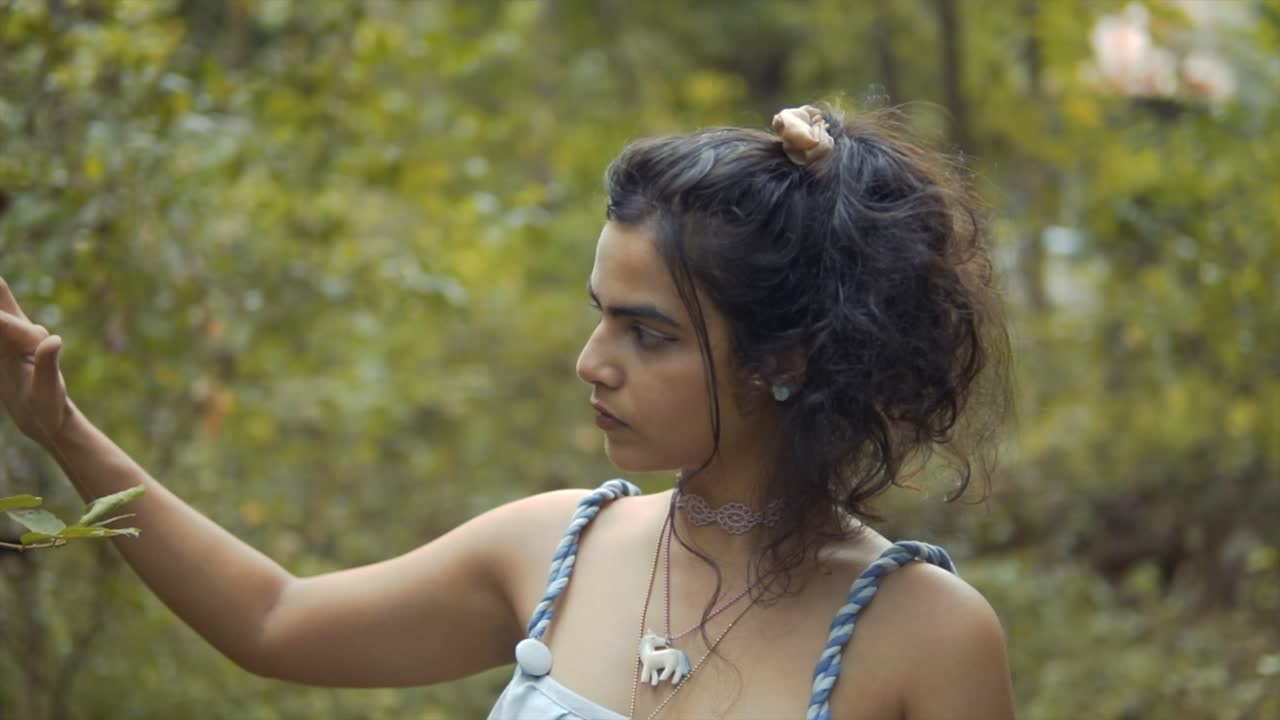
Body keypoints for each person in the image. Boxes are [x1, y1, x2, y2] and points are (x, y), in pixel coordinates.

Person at [0, 103, 1016, 719]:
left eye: (646, 334)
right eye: (597, 318)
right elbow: (272, 620)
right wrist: (62, 430)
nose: (592, 364)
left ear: (781, 360)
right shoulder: (557, 550)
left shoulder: (926, 639)